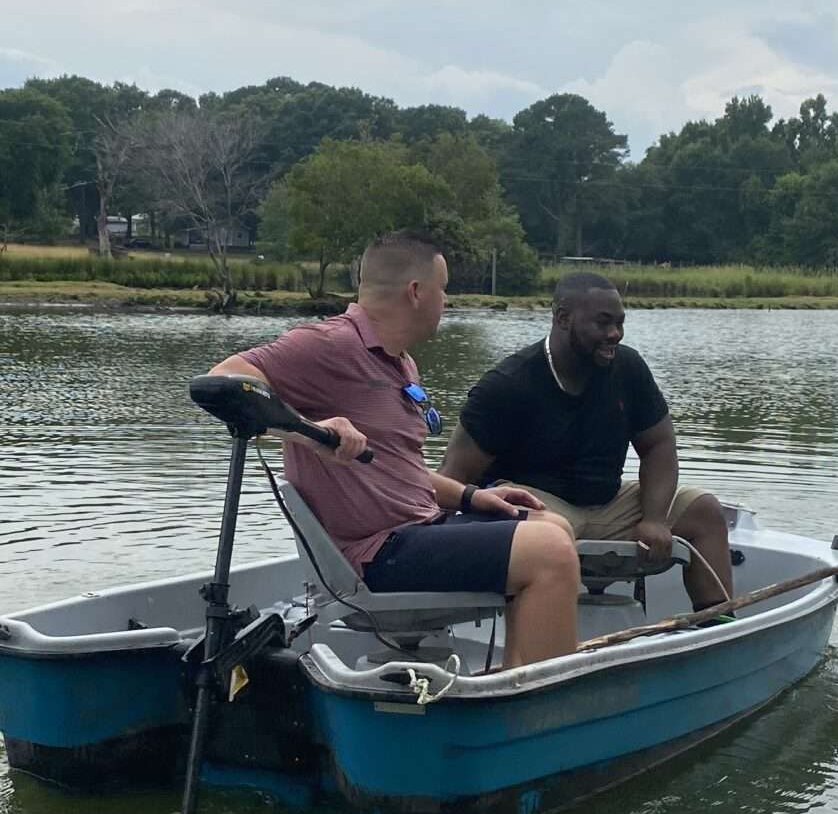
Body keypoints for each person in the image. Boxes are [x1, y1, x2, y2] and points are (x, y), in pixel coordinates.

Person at [208, 231, 584, 669]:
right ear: (417, 292)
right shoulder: (330, 344)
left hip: (420, 529)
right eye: (444, 290)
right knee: (549, 553)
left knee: (553, 525)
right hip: (376, 554)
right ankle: (539, 705)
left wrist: (472, 496)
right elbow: (222, 384)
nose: (447, 301)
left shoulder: (400, 362)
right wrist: (312, 431)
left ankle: (515, 681)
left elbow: (395, 468)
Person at [440, 270, 736, 611]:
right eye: (603, 323)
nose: (615, 335)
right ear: (563, 318)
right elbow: (453, 477)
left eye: (620, 324)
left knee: (705, 512)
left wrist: (654, 518)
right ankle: (546, 646)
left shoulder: (628, 368)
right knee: (553, 530)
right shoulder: (508, 385)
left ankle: (716, 630)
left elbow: (659, 444)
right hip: (536, 504)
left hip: (606, 504)